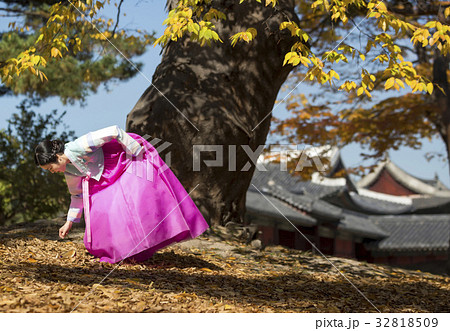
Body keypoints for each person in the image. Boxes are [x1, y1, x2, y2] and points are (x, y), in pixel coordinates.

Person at [34, 125, 209, 263]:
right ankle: (125, 250)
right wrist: (69, 222)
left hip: (124, 160)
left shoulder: (80, 145)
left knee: (140, 195)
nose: (52, 172)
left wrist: (135, 150)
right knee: (105, 211)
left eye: (50, 168)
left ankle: (163, 228)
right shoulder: (69, 172)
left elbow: (114, 131)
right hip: (105, 178)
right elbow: (77, 195)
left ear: (57, 156)